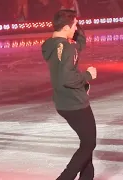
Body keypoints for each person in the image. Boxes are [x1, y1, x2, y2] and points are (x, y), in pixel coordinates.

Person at [41, 9, 97, 180]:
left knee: (86, 145)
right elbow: (68, 78)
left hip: (62, 102)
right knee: (88, 144)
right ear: (66, 27)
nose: (75, 29)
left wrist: (76, 25)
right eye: (74, 25)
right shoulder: (67, 48)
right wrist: (88, 75)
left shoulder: (49, 45)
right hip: (76, 103)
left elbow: (76, 47)